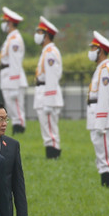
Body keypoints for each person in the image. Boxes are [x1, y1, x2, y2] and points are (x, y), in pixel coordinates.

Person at [87, 31, 109, 185]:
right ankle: (106, 181)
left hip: (104, 118)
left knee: (105, 154)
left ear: (100, 50)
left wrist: (100, 122)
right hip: (97, 115)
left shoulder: (106, 69)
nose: (91, 52)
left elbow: (105, 97)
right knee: (101, 152)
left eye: (93, 48)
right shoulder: (101, 68)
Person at [34, 17, 63, 159]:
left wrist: (49, 101)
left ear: (46, 35)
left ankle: (53, 156)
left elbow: (52, 77)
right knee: (47, 128)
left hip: (48, 94)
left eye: (39, 32)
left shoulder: (50, 52)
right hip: (43, 92)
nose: (37, 35)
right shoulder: (47, 51)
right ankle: (51, 155)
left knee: (50, 129)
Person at [0, 7, 27, 134]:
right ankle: (17, 126)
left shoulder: (15, 39)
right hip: (7, 75)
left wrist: (15, 83)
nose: (3, 24)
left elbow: (15, 62)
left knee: (16, 105)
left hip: (13, 76)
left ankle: (19, 127)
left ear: (9, 23)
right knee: (11, 105)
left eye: (5, 21)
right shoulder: (10, 38)